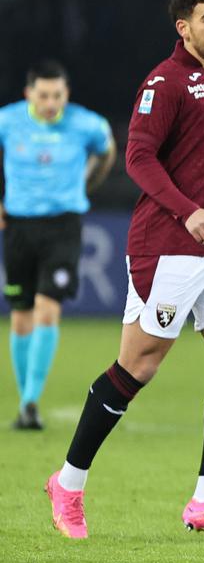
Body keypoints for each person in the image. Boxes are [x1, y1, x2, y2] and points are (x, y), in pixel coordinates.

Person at [44, 0, 204, 540]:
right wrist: (188, 210)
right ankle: (68, 483)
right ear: (183, 27)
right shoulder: (164, 82)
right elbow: (139, 159)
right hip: (166, 246)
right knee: (138, 366)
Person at [1, 61, 116, 430]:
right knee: (20, 316)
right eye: (44, 95)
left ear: (66, 94)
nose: (52, 103)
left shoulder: (86, 124)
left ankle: (31, 400)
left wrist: (87, 184)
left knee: (48, 308)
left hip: (64, 226)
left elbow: (107, 149)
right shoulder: (8, 121)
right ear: (29, 95)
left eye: (58, 95)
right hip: (18, 226)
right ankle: (26, 401)